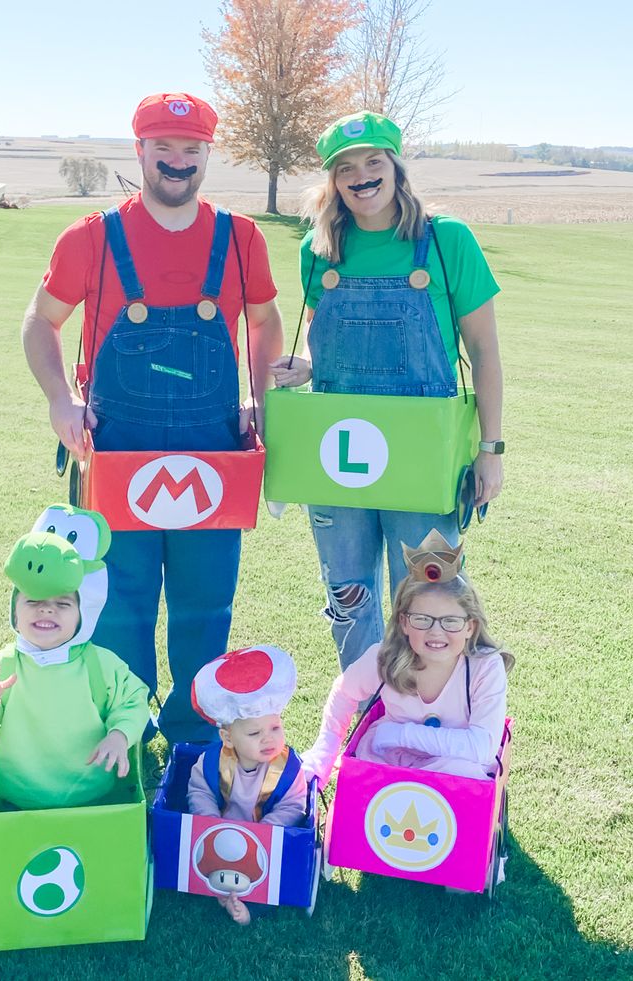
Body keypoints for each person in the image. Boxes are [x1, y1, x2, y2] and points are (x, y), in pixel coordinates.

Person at [22, 93, 283, 743]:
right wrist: (60, 398)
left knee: (204, 605)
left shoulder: (242, 239)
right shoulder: (91, 238)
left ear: (205, 155)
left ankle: (194, 733)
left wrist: (262, 401)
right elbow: (40, 323)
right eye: (163, 147)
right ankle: (126, 729)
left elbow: (267, 321)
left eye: (191, 149)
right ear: (139, 150)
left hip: (211, 449)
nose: (177, 161)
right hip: (117, 448)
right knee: (122, 607)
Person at [270, 110, 504, 672]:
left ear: (396, 167)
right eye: (346, 167)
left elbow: (485, 352)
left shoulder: (448, 241)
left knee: (430, 595)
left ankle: (431, 711)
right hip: (335, 454)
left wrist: (490, 450)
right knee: (348, 595)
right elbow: (320, 338)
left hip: (421, 457)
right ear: (332, 180)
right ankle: (366, 712)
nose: (361, 175)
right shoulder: (318, 248)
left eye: (374, 161)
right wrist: (303, 365)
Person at [0, 505, 149, 810]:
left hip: (91, 796)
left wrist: (119, 734)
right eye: (33, 600)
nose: (46, 610)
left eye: (63, 603)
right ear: (15, 608)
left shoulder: (100, 665)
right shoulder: (2, 667)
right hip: (16, 797)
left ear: (84, 613)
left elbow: (134, 700)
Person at [301, 529, 514, 787]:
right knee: (361, 777)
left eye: (451, 621)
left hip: (451, 764)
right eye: (422, 619)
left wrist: (401, 733)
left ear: (470, 626)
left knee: (463, 774)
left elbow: (482, 747)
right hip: (390, 758)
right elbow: (344, 692)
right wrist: (324, 754)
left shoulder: (484, 667)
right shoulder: (385, 657)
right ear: (403, 622)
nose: (436, 631)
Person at [187, 645, 307, 924]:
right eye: (255, 733)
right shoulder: (212, 761)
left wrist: (264, 833)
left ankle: (247, 906)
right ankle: (221, 893)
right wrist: (211, 823)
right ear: (228, 738)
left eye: (275, 728)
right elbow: (199, 790)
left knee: (271, 879)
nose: (268, 739)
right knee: (207, 868)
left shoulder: (288, 768)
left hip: (266, 843)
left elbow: (294, 805)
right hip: (219, 838)